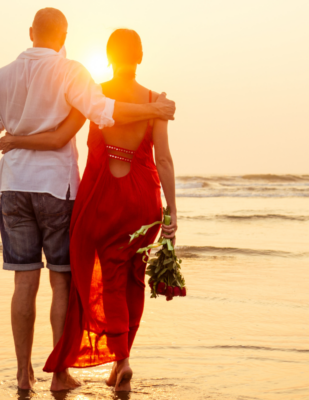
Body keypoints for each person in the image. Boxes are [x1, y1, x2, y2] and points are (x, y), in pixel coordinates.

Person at [0, 8, 175, 391]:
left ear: (31, 32)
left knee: (25, 282)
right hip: (69, 189)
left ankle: (23, 373)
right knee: (72, 280)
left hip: (19, 187)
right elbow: (112, 119)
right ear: (63, 37)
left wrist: (13, 141)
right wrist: (154, 109)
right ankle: (67, 372)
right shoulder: (74, 74)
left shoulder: (5, 75)